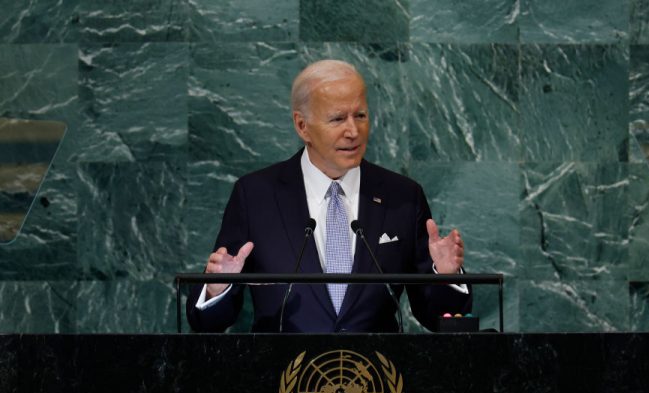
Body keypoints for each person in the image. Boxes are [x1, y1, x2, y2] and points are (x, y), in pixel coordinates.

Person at [187, 59, 472, 333]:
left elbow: (439, 318)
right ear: (302, 126)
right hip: (283, 376)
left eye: (360, 115)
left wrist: (445, 275)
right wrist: (217, 288)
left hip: (376, 378)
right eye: (337, 119)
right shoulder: (256, 195)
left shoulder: (403, 197)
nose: (353, 131)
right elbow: (206, 323)